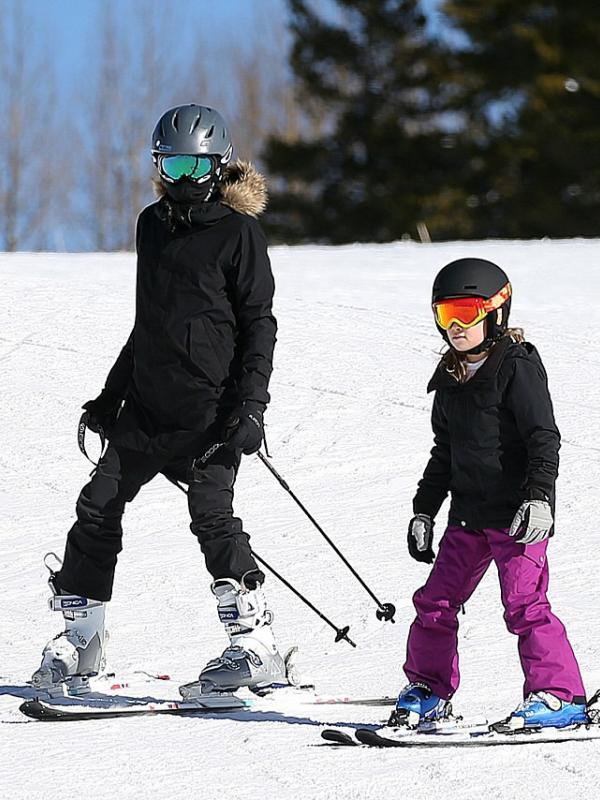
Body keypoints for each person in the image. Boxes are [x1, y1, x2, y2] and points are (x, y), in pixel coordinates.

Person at [32, 104, 290, 699]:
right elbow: (148, 323)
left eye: (192, 162)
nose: (179, 175)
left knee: (212, 517)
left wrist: (251, 407)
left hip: (213, 414)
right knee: (97, 505)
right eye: (168, 162)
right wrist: (110, 394)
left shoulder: (239, 232)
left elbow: (259, 325)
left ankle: (256, 645)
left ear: (217, 163)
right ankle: (82, 639)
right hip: (146, 410)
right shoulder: (152, 225)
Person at [395, 257, 586, 731]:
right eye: (445, 315)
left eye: (467, 312)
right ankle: (428, 691)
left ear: (496, 311)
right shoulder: (450, 379)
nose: (456, 326)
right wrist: (424, 510)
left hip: (517, 514)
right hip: (467, 517)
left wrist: (539, 498)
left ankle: (559, 697)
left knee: (524, 605)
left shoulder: (516, 368)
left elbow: (544, 437)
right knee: (435, 604)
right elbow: (445, 452)